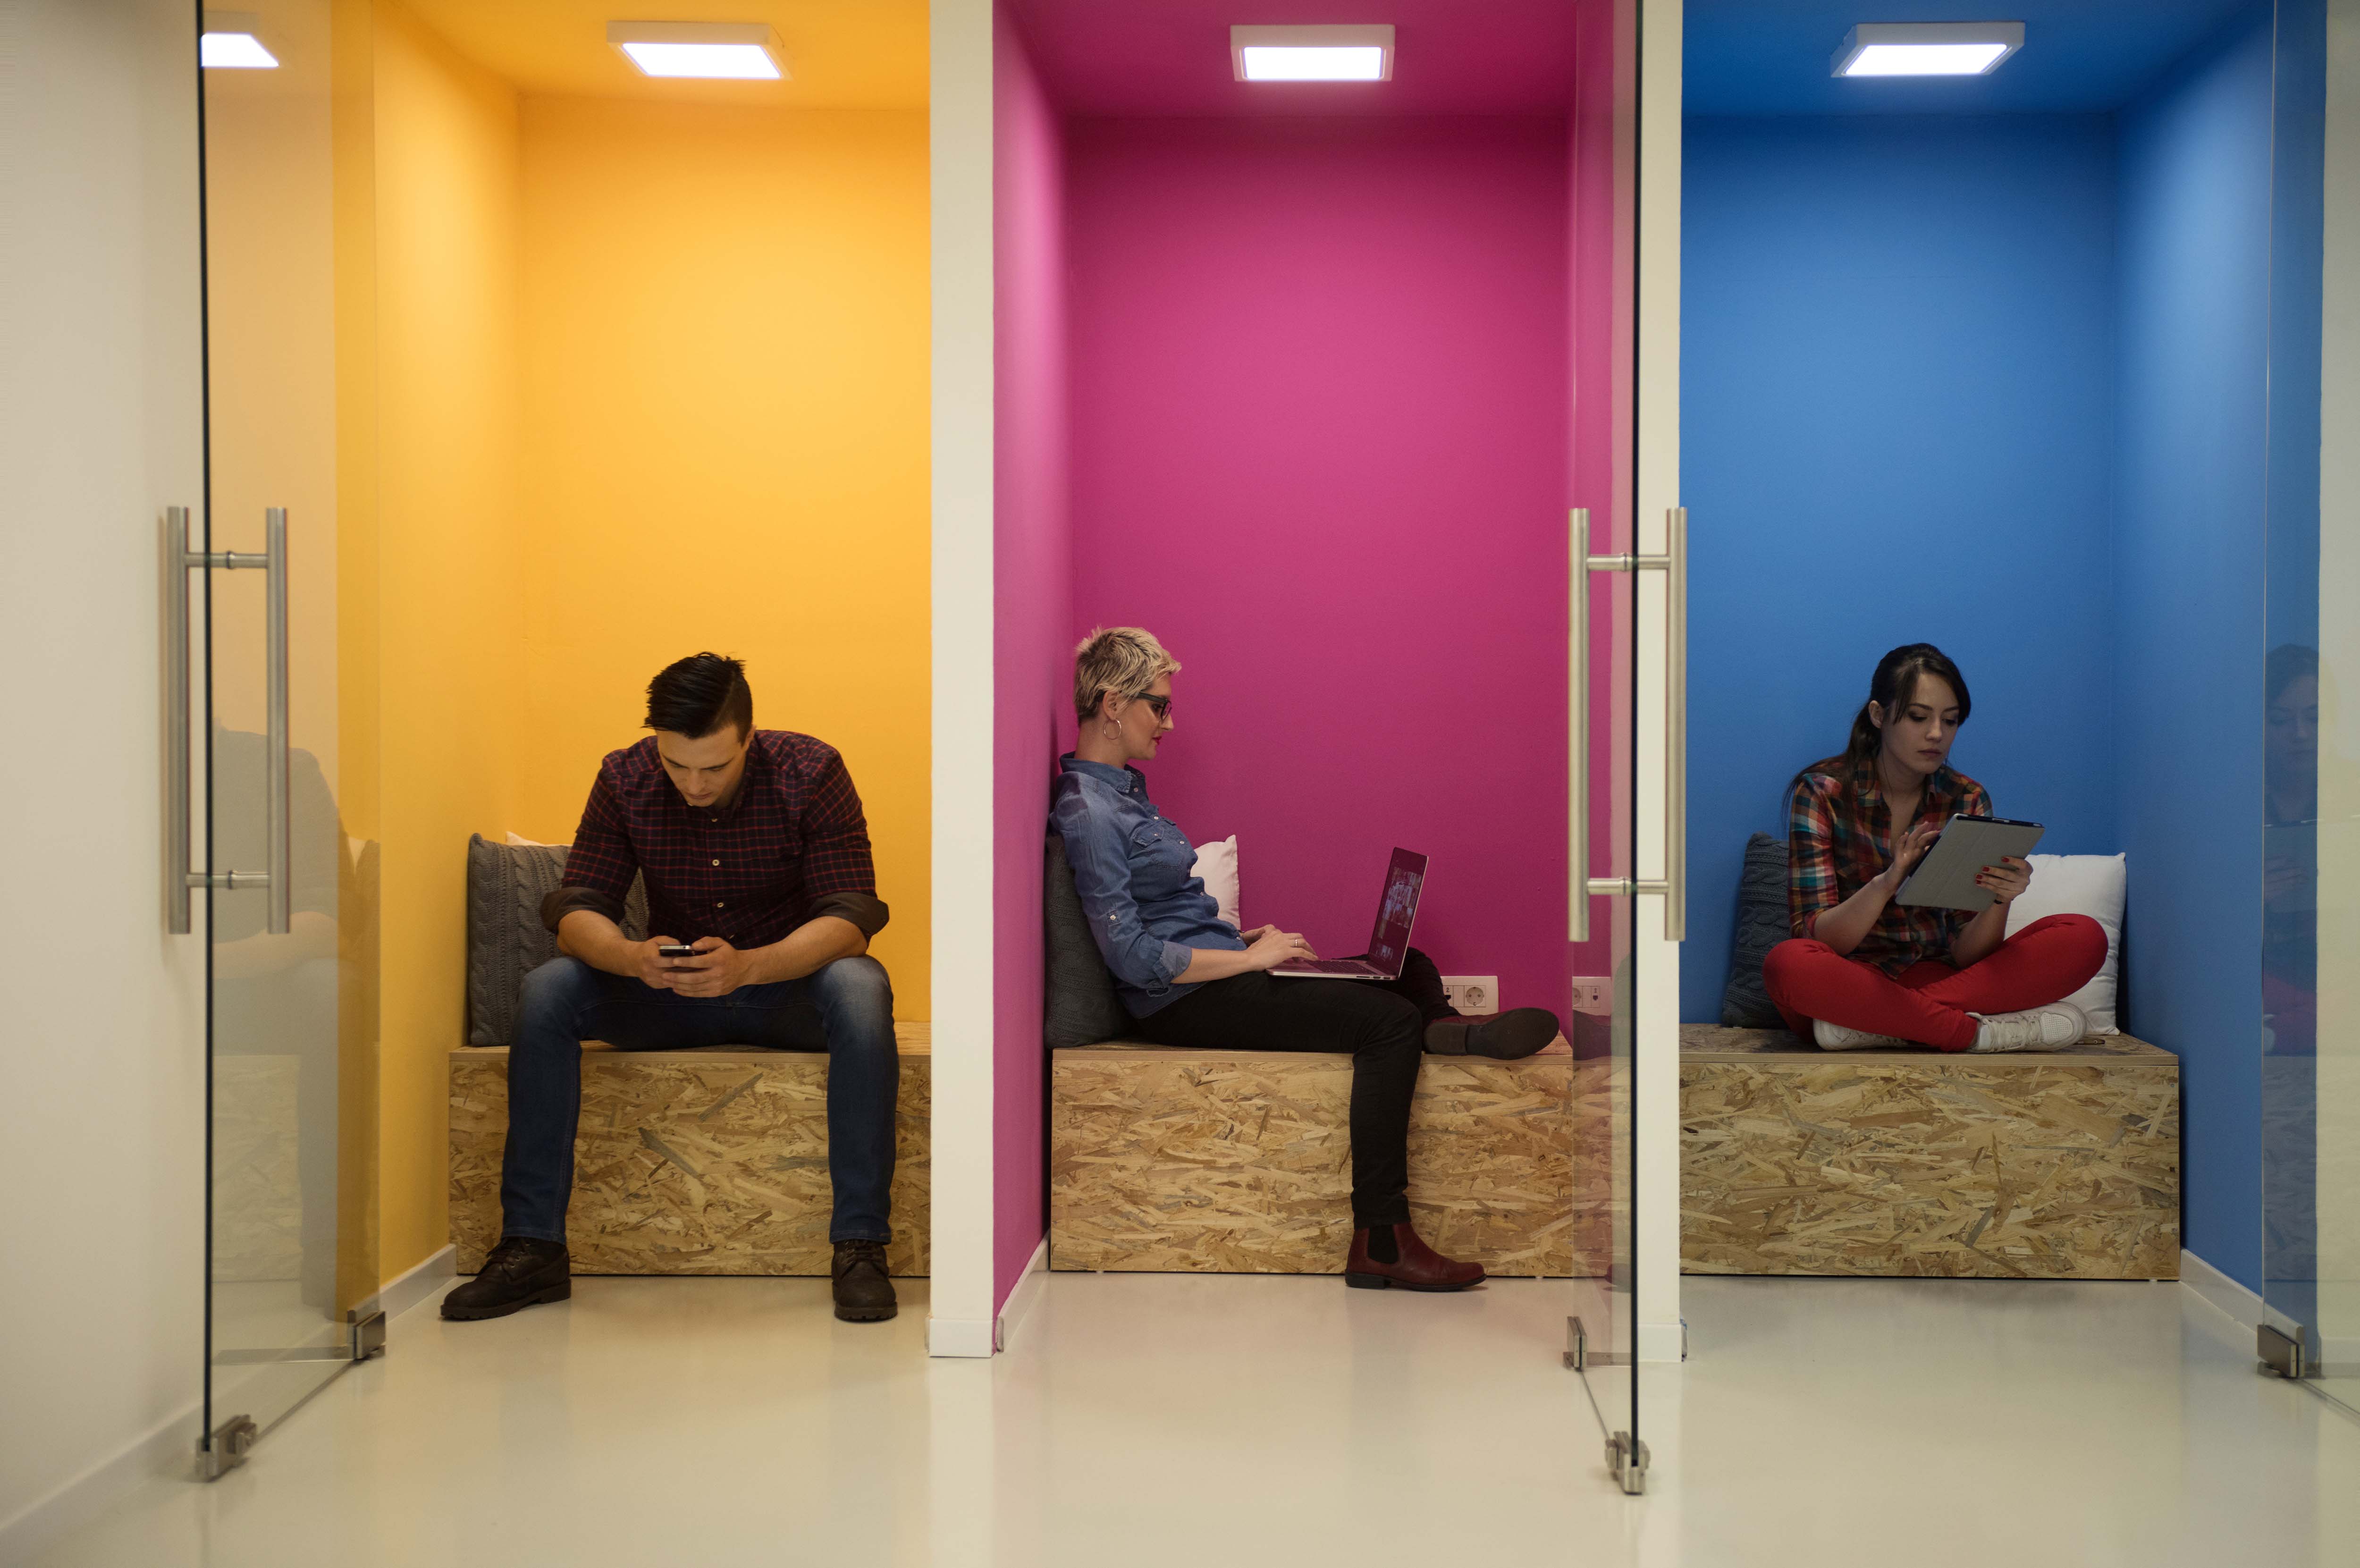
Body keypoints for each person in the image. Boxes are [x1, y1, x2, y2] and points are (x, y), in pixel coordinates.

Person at [1051, 627, 1563, 1291]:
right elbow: (1132, 956)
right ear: (1114, 704)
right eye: (1160, 705)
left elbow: (1165, 915)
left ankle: (1449, 1032)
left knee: (1410, 965)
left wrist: (1241, 943)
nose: (1170, 723)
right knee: (1387, 1023)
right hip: (1186, 1002)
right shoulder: (1088, 810)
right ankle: (1382, 1238)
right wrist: (1247, 960)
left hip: (1217, 973)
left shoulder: (1123, 791)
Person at [443, 654, 901, 1324]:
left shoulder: (812, 770)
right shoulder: (625, 776)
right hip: (666, 992)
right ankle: (532, 1246)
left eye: (713, 767)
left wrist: (749, 965)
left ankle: (861, 1245)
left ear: (749, 737)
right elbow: (577, 906)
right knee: (546, 988)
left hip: (785, 990)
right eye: (676, 764)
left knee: (862, 988)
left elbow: (852, 915)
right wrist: (630, 958)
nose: (693, 783)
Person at [1762, 642, 2107, 1053]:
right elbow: (1822, 940)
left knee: (2084, 937)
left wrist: (2000, 899)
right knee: (1788, 965)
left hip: (1936, 981)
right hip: (1848, 982)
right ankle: (1974, 1033)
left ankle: (1882, 1028)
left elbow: (1967, 955)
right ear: (1878, 716)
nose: (1936, 735)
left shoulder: (1967, 798)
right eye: (1918, 717)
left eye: (1951, 720)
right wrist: (1889, 882)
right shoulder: (1823, 792)